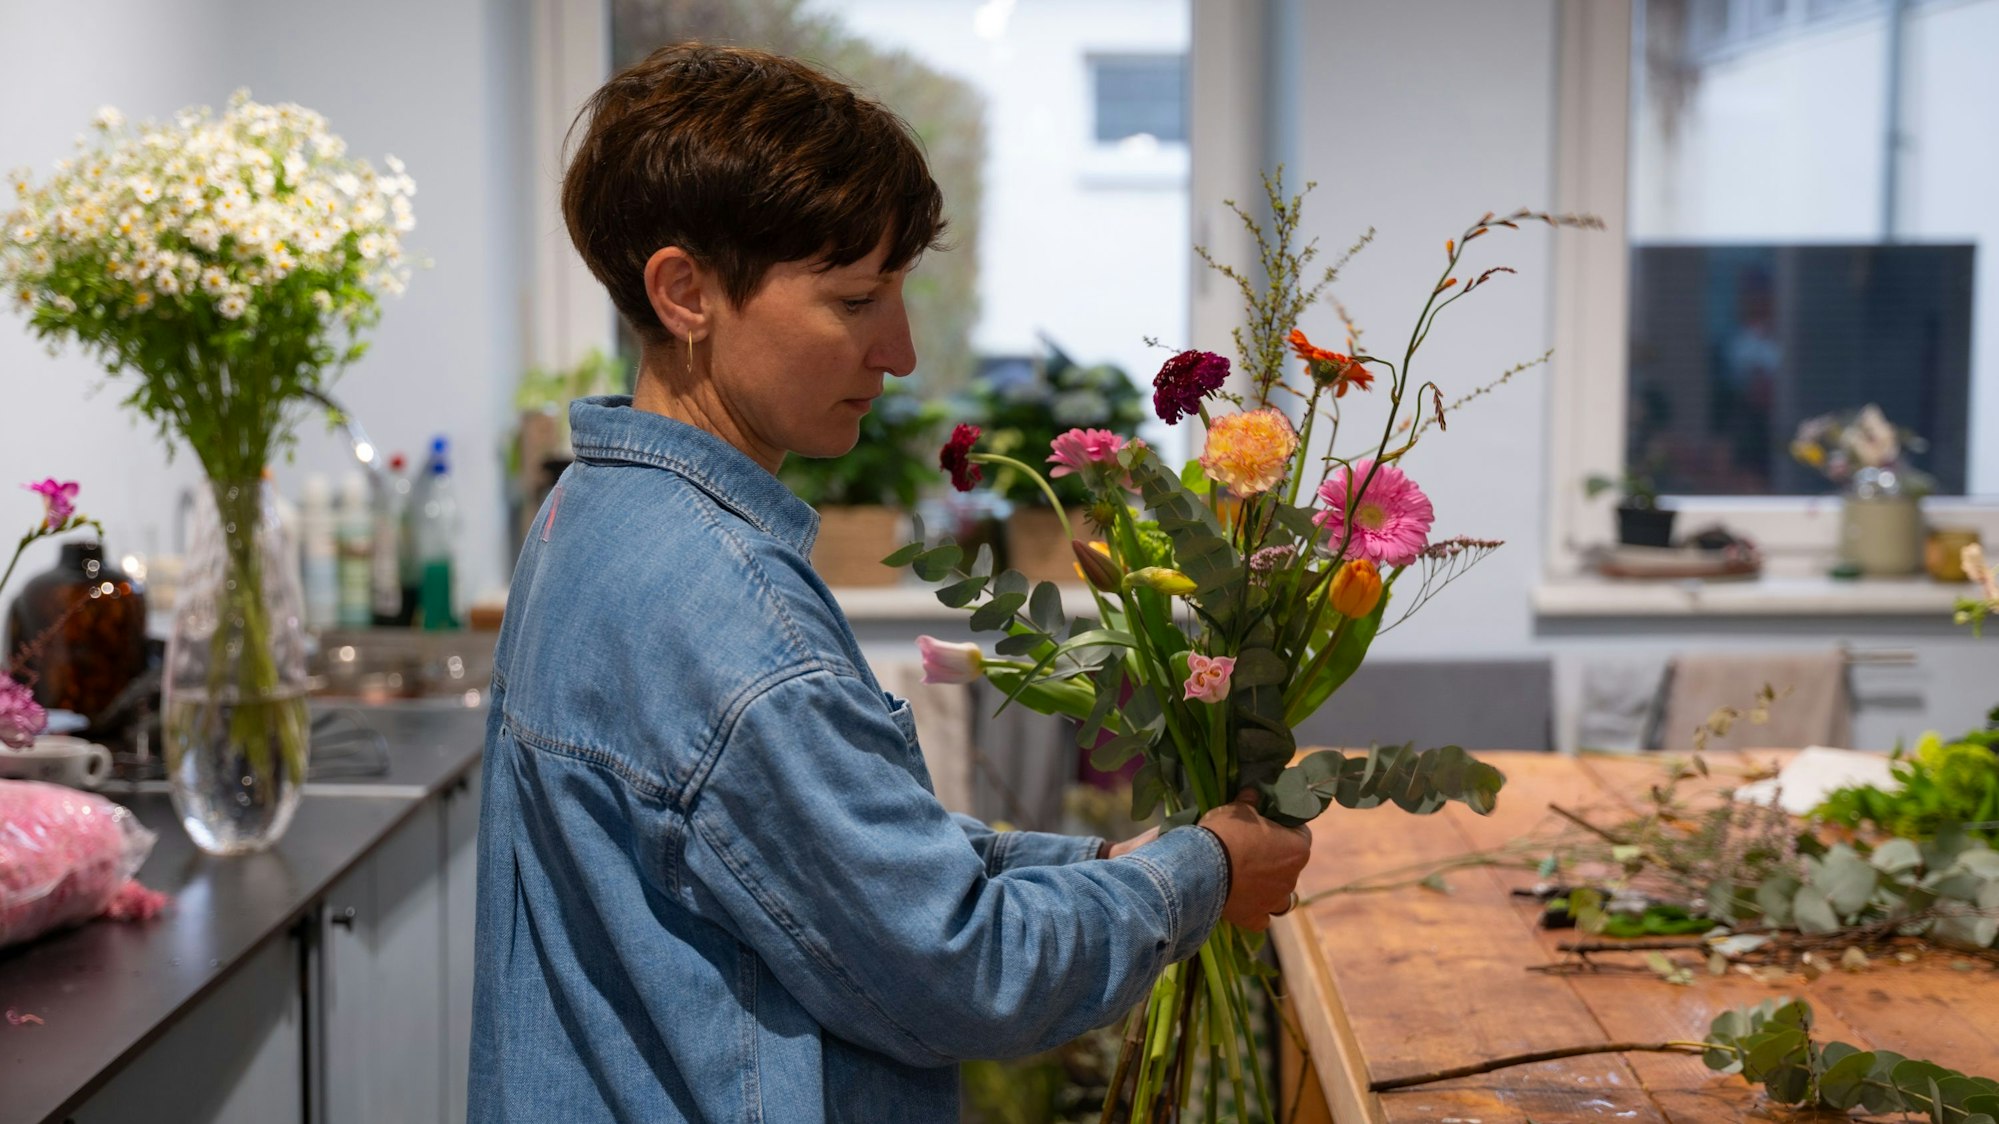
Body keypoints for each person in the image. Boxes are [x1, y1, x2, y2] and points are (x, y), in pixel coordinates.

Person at [467, 43, 1312, 1123]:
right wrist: (1194, 877)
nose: (901, 349)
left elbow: (810, 862)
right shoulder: (727, 611)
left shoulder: (587, 516)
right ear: (683, 292)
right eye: (855, 299)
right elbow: (961, 971)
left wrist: (1099, 859)